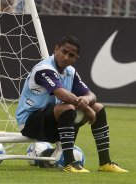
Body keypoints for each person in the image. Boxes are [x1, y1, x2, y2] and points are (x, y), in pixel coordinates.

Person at [15, 35, 128, 173]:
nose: (66, 57)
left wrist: (86, 101)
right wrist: (87, 108)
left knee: (98, 108)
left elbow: (91, 95)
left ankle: (105, 163)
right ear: (56, 49)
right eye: (64, 52)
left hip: (54, 123)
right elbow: (62, 94)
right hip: (30, 123)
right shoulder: (44, 69)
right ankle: (69, 164)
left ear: (76, 58)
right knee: (67, 107)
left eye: (71, 55)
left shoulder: (70, 72)